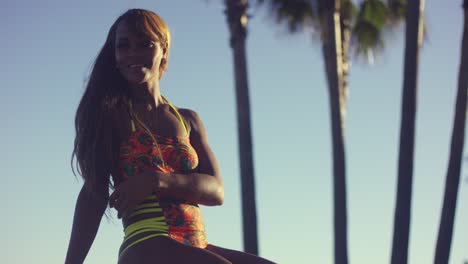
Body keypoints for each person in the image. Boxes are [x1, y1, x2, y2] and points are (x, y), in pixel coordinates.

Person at [65, 8, 275, 264]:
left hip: (196, 244)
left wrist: (156, 180)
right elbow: (93, 193)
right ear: (115, 55)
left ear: (163, 49)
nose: (133, 53)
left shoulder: (188, 120)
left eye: (145, 44)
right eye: (124, 45)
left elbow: (216, 191)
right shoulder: (112, 116)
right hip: (146, 242)